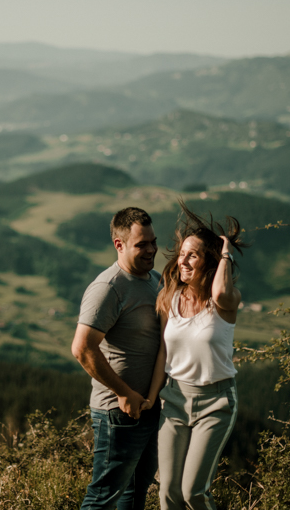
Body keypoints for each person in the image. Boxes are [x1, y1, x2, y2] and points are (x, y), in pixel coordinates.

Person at [147, 200, 246, 510]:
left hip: (215, 403)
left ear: (211, 262)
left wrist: (225, 250)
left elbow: (217, 292)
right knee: (168, 495)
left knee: (193, 493)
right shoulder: (170, 297)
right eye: (182, 253)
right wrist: (152, 398)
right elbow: (164, 352)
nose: (183, 260)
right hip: (174, 399)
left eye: (193, 255)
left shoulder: (225, 303)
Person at [71, 206, 162, 510]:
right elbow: (83, 348)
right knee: (102, 498)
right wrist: (124, 393)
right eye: (142, 244)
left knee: (134, 495)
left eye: (153, 241)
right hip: (119, 413)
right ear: (119, 245)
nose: (151, 250)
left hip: (149, 408)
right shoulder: (108, 288)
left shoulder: (154, 280)